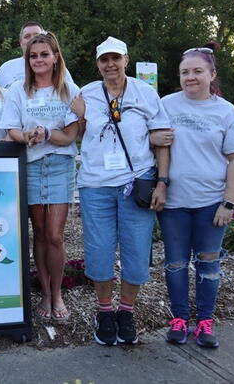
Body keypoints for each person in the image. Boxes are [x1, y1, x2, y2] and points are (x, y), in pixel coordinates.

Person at [157, 43, 234, 348]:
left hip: (211, 203)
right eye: (185, 72)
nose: (191, 77)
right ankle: (180, 320)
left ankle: (205, 322)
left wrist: (229, 201)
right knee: (175, 264)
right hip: (173, 203)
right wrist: (153, 136)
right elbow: (151, 141)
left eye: (198, 71)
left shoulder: (226, 112)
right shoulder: (167, 105)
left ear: (212, 74)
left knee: (209, 264)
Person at [77, 36, 171, 346]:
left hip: (136, 183)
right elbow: (71, 132)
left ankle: (126, 311)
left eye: (116, 58)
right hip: (95, 185)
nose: (110, 64)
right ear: (98, 64)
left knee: (136, 251)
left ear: (126, 60)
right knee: (100, 251)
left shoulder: (145, 93)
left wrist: (162, 182)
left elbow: (163, 141)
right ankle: (105, 311)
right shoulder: (86, 94)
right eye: (104, 60)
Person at [0, 32, 81, 323]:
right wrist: (28, 136)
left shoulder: (70, 90)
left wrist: (48, 134)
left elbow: (72, 134)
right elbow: (11, 130)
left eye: (44, 54)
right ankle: (44, 292)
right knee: (39, 231)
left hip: (60, 164)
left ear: (56, 57)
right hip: (31, 165)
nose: (38, 60)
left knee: (55, 236)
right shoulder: (18, 92)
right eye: (33, 56)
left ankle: (57, 293)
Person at [0, 21, 74, 89]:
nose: (32, 39)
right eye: (27, 36)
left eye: (36, 35)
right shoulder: (6, 68)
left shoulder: (59, 69)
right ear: (20, 42)